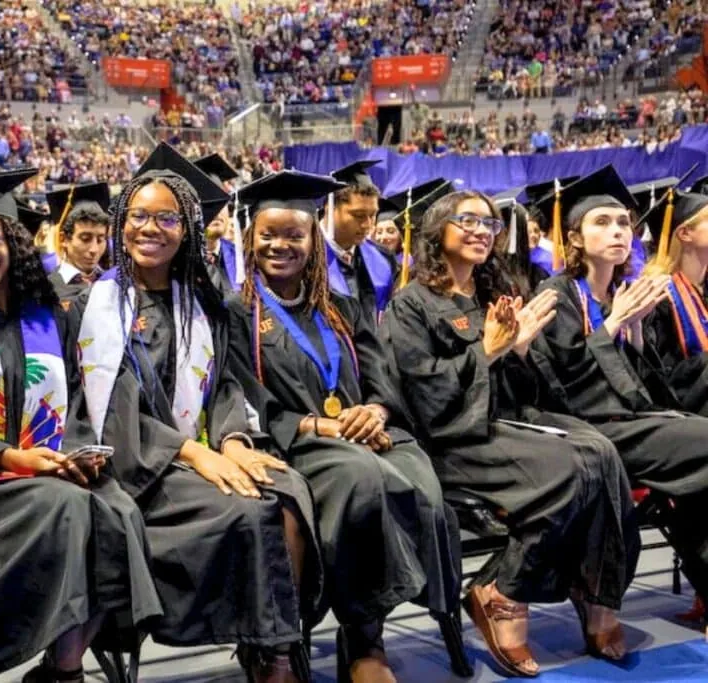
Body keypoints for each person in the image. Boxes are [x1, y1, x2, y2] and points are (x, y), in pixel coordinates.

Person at [71, 143, 322, 681]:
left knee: (289, 493)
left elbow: (226, 384)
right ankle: (272, 654)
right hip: (135, 465)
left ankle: (275, 648)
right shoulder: (95, 306)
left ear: (186, 229)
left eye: (167, 217)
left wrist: (232, 442)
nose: (150, 228)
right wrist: (194, 454)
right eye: (139, 215)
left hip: (200, 453)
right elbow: (107, 410)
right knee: (252, 511)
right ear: (122, 223)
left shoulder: (204, 303)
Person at [0, 171, 161, 681]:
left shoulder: (50, 314)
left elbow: (70, 402)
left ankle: (59, 665)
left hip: (47, 472)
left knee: (120, 512)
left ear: (15, 244)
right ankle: (65, 673)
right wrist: (9, 458)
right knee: (72, 508)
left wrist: (74, 454)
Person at [383, 188, 639, 678]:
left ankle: (596, 588)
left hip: (507, 421)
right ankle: (502, 590)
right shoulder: (411, 306)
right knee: (565, 468)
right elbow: (424, 397)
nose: (482, 231)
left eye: (491, 225)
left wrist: (519, 351)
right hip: (454, 440)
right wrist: (488, 351)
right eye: (469, 221)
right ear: (438, 230)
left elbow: (531, 389)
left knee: (602, 452)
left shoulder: (491, 296)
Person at [228, 170, 462, 683]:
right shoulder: (235, 314)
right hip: (299, 444)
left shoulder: (342, 307)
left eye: (295, 234)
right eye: (269, 234)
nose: (281, 244)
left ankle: (371, 623)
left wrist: (376, 411)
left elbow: (384, 377)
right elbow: (247, 399)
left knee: (423, 483)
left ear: (314, 240)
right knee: (363, 479)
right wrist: (321, 426)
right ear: (250, 238)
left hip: (368, 433)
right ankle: (364, 637)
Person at [530, 164, 708, 616]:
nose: (618, 232)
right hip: (586, 433)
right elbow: (561, 386)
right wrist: (612, 327)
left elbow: (646, 390)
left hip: (632, 425)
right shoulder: (555, 295)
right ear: (572, 239)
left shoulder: (623, 294)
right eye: (602, 223)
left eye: (624, 223)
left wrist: (636, 335)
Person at [643, 189, 708, 413]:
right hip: (684, 400)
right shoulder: (659, 294)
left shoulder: (704, 287)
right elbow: (659, 372)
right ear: (685, 234)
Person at [321, 162, 397, 327]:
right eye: (359, 215)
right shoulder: (305, 257)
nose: (368, 225)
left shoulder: (383, 258)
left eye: (373, 215)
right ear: (330, 208)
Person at [46, 183, 112, 298]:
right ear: (64, 239)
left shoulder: (113, 282)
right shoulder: (49, 290)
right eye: (85, 239)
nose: (94, 249)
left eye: (100, 239)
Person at [194, 153, 243, 291]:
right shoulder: (174, 265)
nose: (217, 210)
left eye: (222, 202)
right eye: (207, 203)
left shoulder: (241, 259)